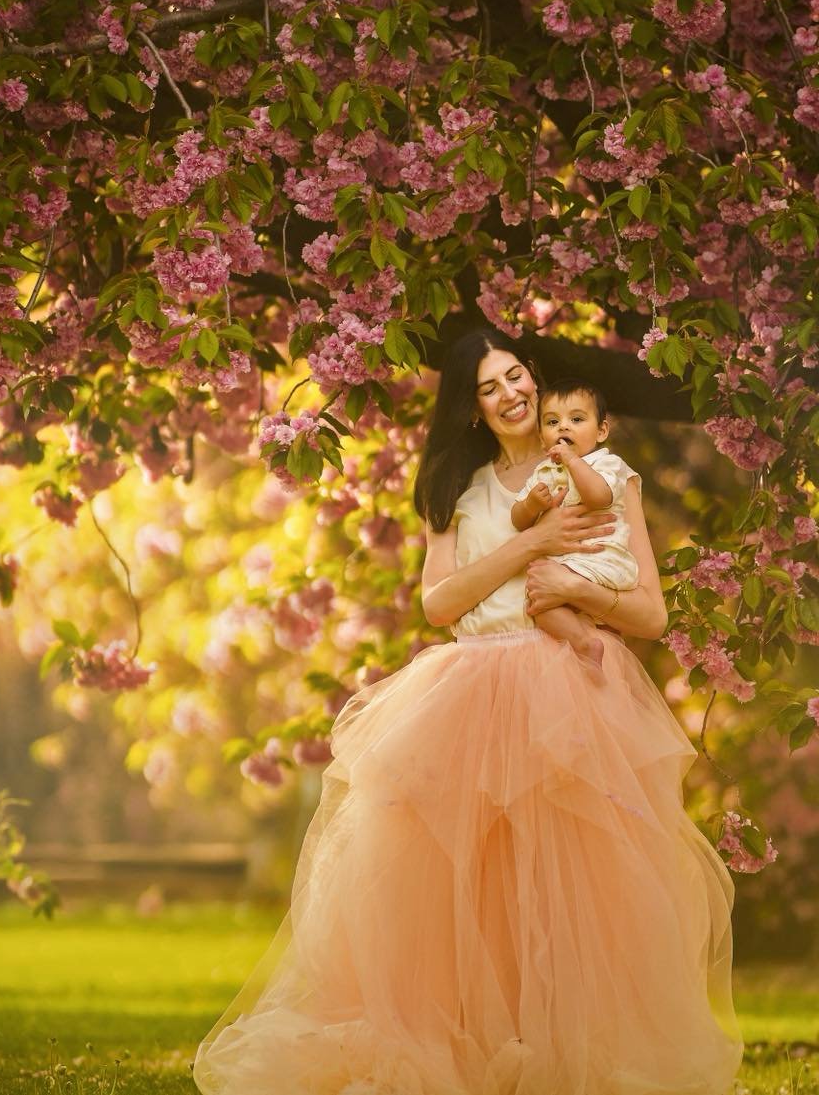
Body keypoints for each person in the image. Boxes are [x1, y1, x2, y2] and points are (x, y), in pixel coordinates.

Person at [192, 327, 744, 1095]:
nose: (512, 394)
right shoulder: (458, 487)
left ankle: (559, 1054)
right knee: (462, 889)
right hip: (472, 693)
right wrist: (534, 543)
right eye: (491, 387)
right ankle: (470, 1053)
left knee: (570, 884)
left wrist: (578, 588)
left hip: (572, 692)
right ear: (473, 407)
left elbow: (649, 612)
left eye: (517, 376)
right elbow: (439, 600)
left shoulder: (601, 473)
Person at [509, 379, 640, 671]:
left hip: (601, 558)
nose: (563, 427)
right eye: (552, 422)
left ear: (601, 431)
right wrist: (531, 504)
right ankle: (585, 640)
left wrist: (570, 459)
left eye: (577, 419)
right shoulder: (543, 471)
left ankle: (583, 642)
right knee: (540, 607)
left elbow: (598, 497)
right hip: (571, 565)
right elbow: (518, 520)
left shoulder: (607, 464)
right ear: (542, 436)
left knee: (543, 595)